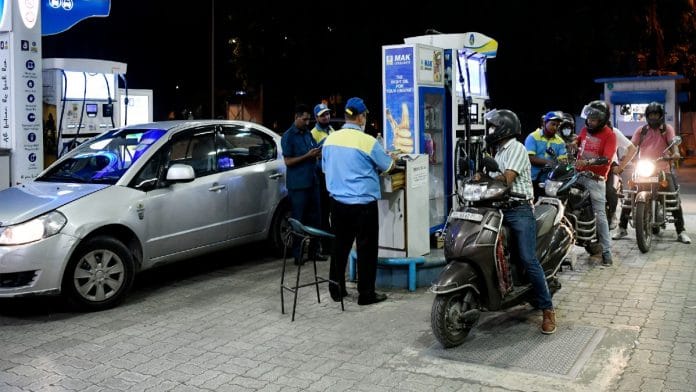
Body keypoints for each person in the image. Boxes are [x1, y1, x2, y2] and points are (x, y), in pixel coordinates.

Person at [482, 109, 556, 334]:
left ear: (504, 128)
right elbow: (492, 177)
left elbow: (507, 179)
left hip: (519, 209)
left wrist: (490, 172)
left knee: (527, 258)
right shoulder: (500, 151)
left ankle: (547, 309)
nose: (490, 131)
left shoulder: (515, 147)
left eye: (493, 127)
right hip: (499, 208)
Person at [322, 97, 396, 306]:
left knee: (340, 247)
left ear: (346, 116)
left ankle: (336, 289)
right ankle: (366, 294)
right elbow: (388, 166)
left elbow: (326, 169)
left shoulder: (330, 140)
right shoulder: (368, 142)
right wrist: (393, 159)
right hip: (363, 205)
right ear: (361, 117)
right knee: (366, 249)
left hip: (337, 204)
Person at [613, 102, 691, 244]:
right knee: (630, 195)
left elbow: (674, 146)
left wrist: (676, 153)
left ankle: (681, 231)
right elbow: (632, 147)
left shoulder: (667, 129)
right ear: (647, 116)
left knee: (673, 197)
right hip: (644, 169)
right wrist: (624, 161)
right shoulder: (641, 130)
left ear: (661, 116)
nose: (653, 117)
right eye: (651, 115)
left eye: (656, 114)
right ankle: (622, 228)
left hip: (663, 169)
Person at [280, 104, 326, 264]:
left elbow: (314, 150)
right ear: (296, 117)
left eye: (309, 119)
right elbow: (288, 161)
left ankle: (314, 251)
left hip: (313, 182)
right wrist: (307, 156)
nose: (307, 122)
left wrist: (318, 152)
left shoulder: (307, 134)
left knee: (316, 219)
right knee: (298, 220)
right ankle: (298, 255)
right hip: (298, 186)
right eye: (304, 119)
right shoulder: (288, 136)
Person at [575, 100, 617, 265]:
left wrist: (587, 163)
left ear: (602, 120)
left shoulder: (610, 135)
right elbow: (580, 141)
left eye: (594, 120)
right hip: (577, 175)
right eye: (589, 118)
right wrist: (574, 142)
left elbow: (606, 159)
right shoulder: (585, 129)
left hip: (595, 179)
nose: (590, 122)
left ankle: (606, 252)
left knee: (600, 216)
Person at [524, 111, 568, 200]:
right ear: (544, 123)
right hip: (531, 179)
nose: (555, 127)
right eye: (553, 124)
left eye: (558, 125)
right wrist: (548, 162)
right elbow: (529, 157)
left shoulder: (560, 142)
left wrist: (562, 162)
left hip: (550, 182)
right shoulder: (532, 137)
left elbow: (563, 161)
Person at [310, 103, 336, 255]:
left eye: (327, 114)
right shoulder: (314, 133)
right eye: (322, 115)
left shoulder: (331, 130)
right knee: (324, 213)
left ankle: (330, 244)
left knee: (331, 212)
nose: (326, 117)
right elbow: (315, 156)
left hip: (331, 175)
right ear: (316, 118)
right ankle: (326, 247)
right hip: (321, 177)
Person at [605, 123, 637, 230]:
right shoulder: (588, 131)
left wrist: (621, 166)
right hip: (589, 166)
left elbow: (632, 148)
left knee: (610, 190)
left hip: (610, 166)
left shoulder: (614, 132)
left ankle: (612, 214)